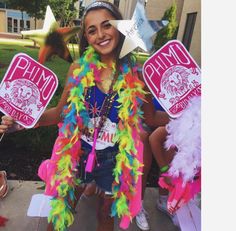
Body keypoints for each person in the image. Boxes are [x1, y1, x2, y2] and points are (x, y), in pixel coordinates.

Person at [0, 1, 157, 231]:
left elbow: (151, 119)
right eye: (92, 30)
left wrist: (187, 117)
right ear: (86, 36)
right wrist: (25, 121)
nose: (100, 35)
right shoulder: (78, 69)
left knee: (105, 216)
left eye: (107, 26)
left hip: (114, 160)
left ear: (119, 29)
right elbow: (59, 113)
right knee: (60, 214)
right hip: (78, 153)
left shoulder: (136, 77)